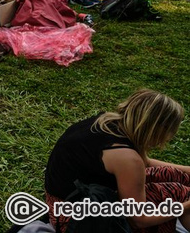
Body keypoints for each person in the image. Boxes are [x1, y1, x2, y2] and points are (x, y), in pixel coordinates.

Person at [44, 89, 190, 232]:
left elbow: (145, 163)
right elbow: (139, 219)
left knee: (176, 175)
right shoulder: (127, 158)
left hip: (62, 202)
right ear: (156, 128)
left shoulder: (107, 122)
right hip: (76, 220)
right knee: (177, 193)